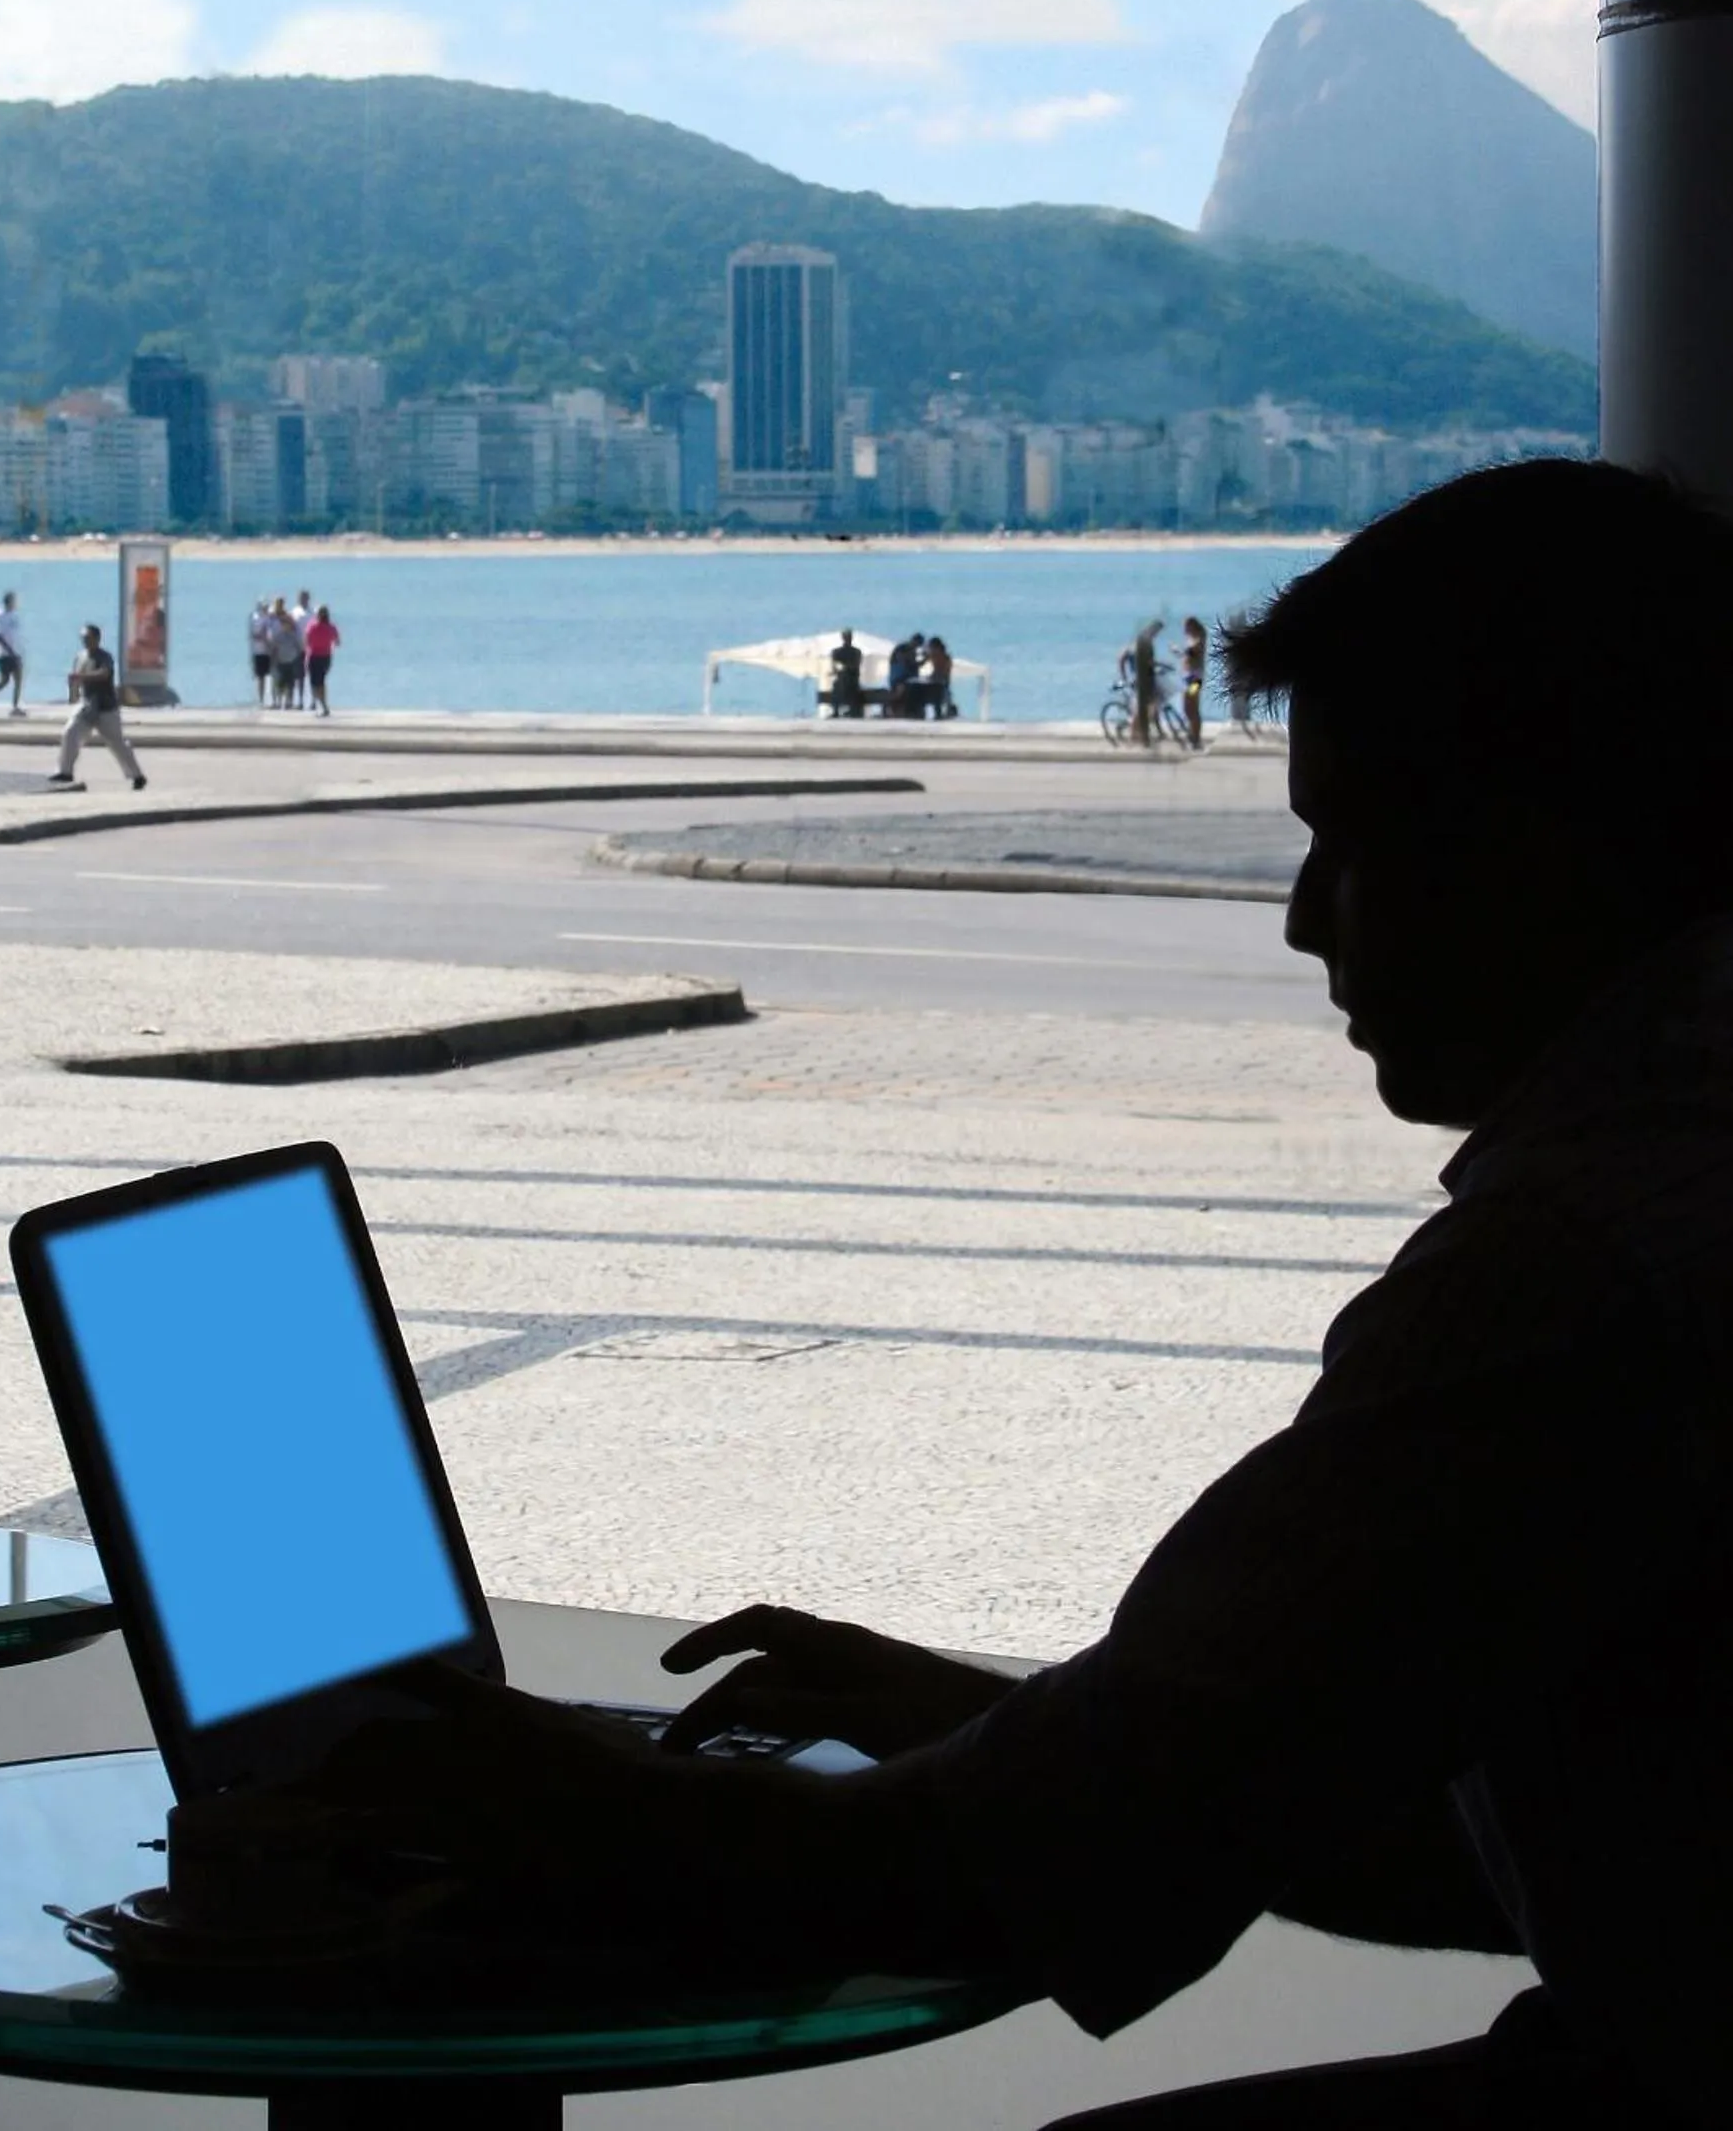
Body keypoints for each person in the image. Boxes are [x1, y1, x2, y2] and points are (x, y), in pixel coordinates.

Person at [290, 459, 1733, 2131]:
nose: (1297, 922)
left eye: (1351, 842)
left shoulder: (1569, 1277)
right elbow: (1453, 1836)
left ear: (1541, 842)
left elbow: (979, 1874)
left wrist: (552, 1783)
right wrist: (1017, 1725)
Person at [46, 623, 146, 789]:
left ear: (97, 639)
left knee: (117, 743)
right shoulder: (80, 657)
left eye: (89, 638)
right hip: (87, 706)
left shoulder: (104, 657)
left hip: (106, 708)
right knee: (70, 733)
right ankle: (65, 771)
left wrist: (80, 676)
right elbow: (75, 681)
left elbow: (103, 673)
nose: (85, 641)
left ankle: (137, 775)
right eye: (83, 638)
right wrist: (73, 693)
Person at [1119, 615, 1163, 745]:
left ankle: (1155, 731)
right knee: (1141, 708)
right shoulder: (1141, 643)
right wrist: (1125, 676)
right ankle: (1133, 736)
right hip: (1140, 680)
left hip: (1147, 678)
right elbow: (1123, 657)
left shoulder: (1145, 642)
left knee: (1154, 703)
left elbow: (1148, 662)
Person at [304, 603, 341, 716]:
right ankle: (321, 705)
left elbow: (306, 641)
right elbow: (337, 642)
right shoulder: (331, 627)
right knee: (321, 681)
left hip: (314, 656)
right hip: (326, 657)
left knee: (315, 683)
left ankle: (322, 706)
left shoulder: (312, 626)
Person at [1178, 615, 1208, 750]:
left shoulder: (1200, 638)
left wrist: (1181, 651)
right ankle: (1192, 736)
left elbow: (1193, 652)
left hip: (1195, 678)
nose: (1184, 630)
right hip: (1187, 677)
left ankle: (1196, 739)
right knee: (1186, 707)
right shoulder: (1191, 638)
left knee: (1193, 707)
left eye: (1186, 626)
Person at [268, 595, 304, 709]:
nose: (279, 605)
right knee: (277, 679)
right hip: (277, 653)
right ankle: (276, 701)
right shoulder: (271, 617)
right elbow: (271, 636)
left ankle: (289, 701)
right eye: (278, 603)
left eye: (281, 603)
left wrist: (300, 650)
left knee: (290, 680)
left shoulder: (288, 617)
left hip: (291, 654)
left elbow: (296, 634)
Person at [828, 629, 864, 718]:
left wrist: (845, 668)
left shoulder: (856, 652)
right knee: (838, 686)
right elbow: (835, 667)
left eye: (849, 637)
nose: (848, 639)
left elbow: (855, 665)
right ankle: (837, 710)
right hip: (842, 681)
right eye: (846, 637)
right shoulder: (837, 652)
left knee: (847, 686)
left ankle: (852, 710)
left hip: (852, 680)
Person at [290, 588, 315, 711]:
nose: (304, 599)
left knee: (312, 675)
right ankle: (299, 701)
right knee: (299, 676)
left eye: (306, 597)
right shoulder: (294, 612)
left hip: (311, 648)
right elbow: (290, 628)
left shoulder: (313, 612)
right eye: (302, 597)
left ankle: (314, 701)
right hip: (298, 647)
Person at [922, 633, 955, 720]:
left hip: (941, 681)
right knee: (938, 700)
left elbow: (943, 671)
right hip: (939, 681)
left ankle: (942, 713)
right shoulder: (939, 656)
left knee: (939, 699)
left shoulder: (942, 657)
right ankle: (941, 713)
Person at [248, 597, 274, 708]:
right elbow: (253, 634)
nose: (265, 608)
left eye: (267, 606)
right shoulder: (255, 618)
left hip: (270, 651)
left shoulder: (270, 618)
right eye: (264, 606)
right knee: (260, 677)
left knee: (273, 675)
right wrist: (262, 636)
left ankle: (273, 699)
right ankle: (261, 700)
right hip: (258, 651)